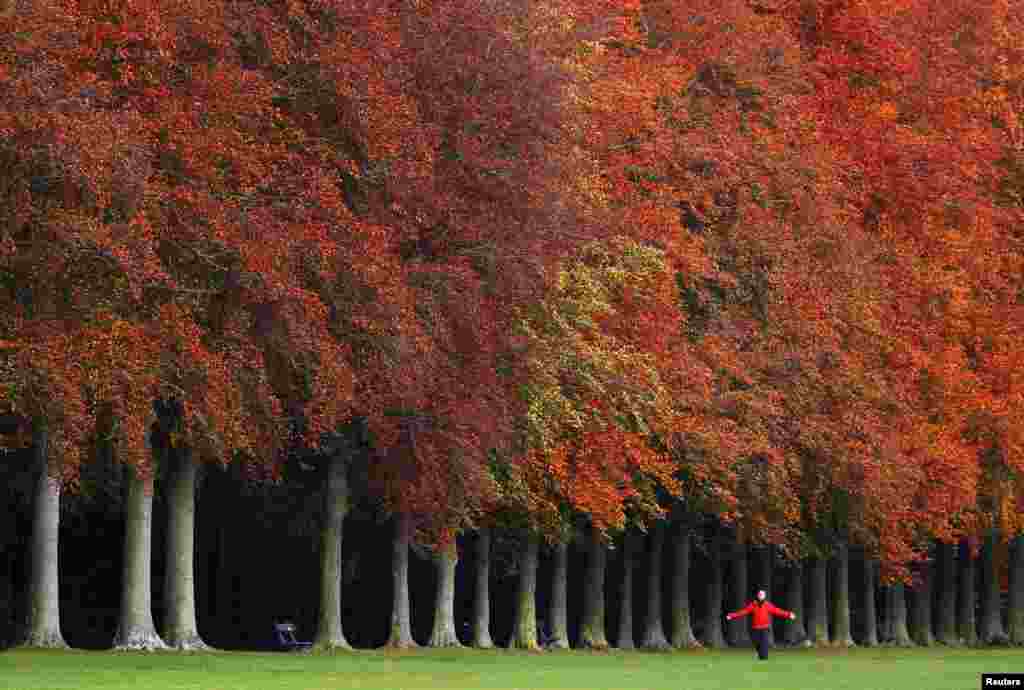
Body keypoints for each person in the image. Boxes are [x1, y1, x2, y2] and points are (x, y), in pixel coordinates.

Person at [726, 589, 796, 660]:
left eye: (762, 595)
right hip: (756, 628)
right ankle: (759, 653)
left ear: (764, 596)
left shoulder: (767, 605)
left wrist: (789, 614)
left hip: (765, 628)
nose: (761, 596)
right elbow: (744, 611)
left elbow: (777, 611)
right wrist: (732, 615)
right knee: (758, 644)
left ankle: (764, 660)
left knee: (764, 645)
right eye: (759, 595)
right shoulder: (753, 605)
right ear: (757, 596)